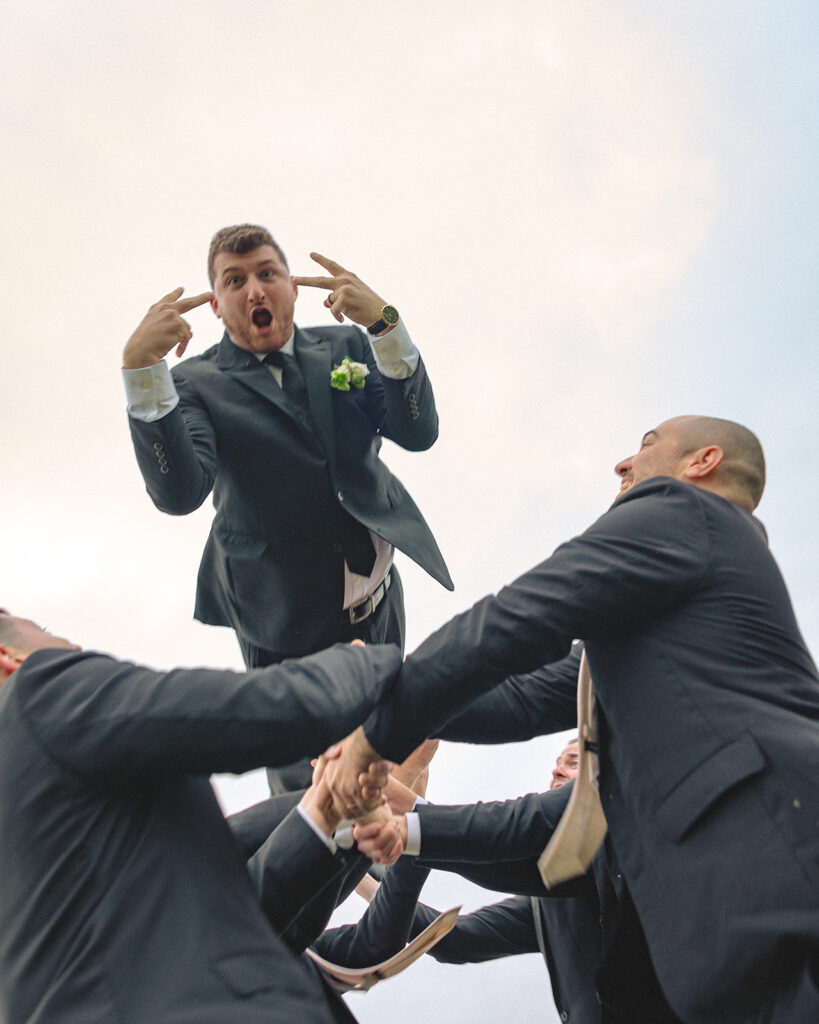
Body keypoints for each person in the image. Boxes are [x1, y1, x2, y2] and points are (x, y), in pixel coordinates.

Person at [326, 415, 819, 1024]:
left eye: (646, 446)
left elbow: (519, 618)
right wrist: (375, 689)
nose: (623, 464)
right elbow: (526, 698)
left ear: (702, 462)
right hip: (735, 942)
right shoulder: (654, 611)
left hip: (782, 879)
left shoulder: (682, 512)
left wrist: (373, 739)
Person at [0, 607, 400, 1023]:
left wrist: (328, 811)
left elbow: (207, 922)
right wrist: (363, 662)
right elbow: (258, 710)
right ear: (6, 659)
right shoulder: (40, 693)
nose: (74, 648)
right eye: (46, 633)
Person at [122, 223, 452, 670]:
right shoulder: (193, 383)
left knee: (387, 739)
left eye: (268, 274)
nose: (255, 291)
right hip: (280, 628)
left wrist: (385, 322)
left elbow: (418, 432)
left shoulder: (349, 342)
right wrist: (143, 372)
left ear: (294, 288)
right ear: (215, 306)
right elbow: (180, 494)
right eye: (235, 281)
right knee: (309, 745)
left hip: (382, 606)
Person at [319, 739, 605, 1024]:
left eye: (574, 762)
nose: (555, 772)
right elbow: (455, 939)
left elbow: (508, 835)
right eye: (556, 763)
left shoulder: (619, 841)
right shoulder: (544, 906)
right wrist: (359, 878)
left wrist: (408, 814)